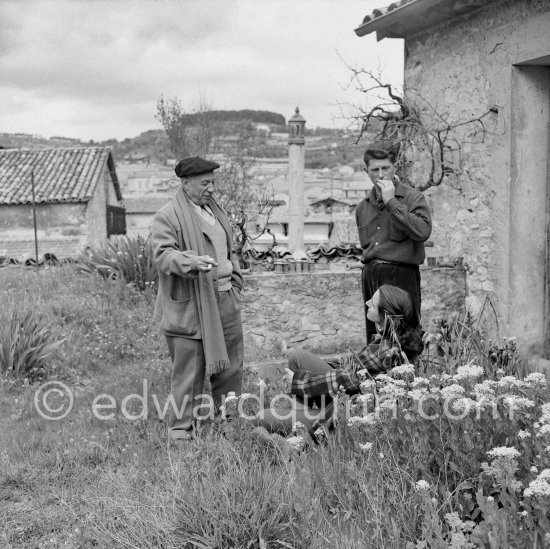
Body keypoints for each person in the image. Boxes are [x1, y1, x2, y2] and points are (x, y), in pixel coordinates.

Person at [151, 156, 244, 441]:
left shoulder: (215, 212)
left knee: (231, 368)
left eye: (212, 183)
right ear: (185, 183)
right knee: (189, 372)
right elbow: (162, 255)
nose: (211, 189)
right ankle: (181, 433)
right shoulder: (167, 216)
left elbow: (227, 250)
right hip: (191, 305)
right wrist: (189, 262)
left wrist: (235, 280)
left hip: (225, 299)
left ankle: (229, 425)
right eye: (205, 183)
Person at [255, 285, 423, 437]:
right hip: (343, 401)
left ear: (385, 316)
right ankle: (300, 429)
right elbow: (350, 367)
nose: (366, 302)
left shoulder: (385, 351)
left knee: (261, 418)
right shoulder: (390, 342)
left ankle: (308, 436)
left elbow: (342, 381)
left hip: (345, 414)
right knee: (297, 357)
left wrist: (298, 382)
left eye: (372, 303)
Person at [356, 139, 432, 343]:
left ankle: (407, 374)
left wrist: (392, 202)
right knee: (375, 340)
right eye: (374, 170)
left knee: (406, 339)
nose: (380, 175)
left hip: (401, 277)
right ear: (366, 170)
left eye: (385, 168)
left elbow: (423, 231)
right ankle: (377, 376)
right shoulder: (362, 207)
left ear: (395, 167)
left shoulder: (413, 198)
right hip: (372, 277)